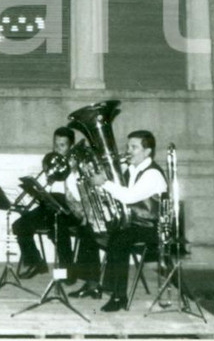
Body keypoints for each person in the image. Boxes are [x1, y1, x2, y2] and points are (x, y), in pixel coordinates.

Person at [70, 129, 167, 313]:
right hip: (133, 222)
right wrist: (96, 184)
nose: (128, 150)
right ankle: (92, 284)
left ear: (147, 152)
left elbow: (129, 197)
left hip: (152, 227)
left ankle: (118, 296)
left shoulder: (152, 174)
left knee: (120, 238)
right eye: (127, 146)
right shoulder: (131, 170)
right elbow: (117, 194)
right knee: (89, 230)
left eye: (134, 147)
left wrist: (104, 183)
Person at [12, 127, 77, 278]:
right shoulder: (50, 161)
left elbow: (78, 194)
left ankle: (67, 272)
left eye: (62, 145)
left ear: (71, 147)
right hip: (49, 204)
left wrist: (71, 172)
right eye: (55, 145)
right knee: (19, 225)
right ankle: (36, 262)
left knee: (57, 229)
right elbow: (42, 189)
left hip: (69, 206)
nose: (57, 149)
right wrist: (42, 181)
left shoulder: (76, 166)